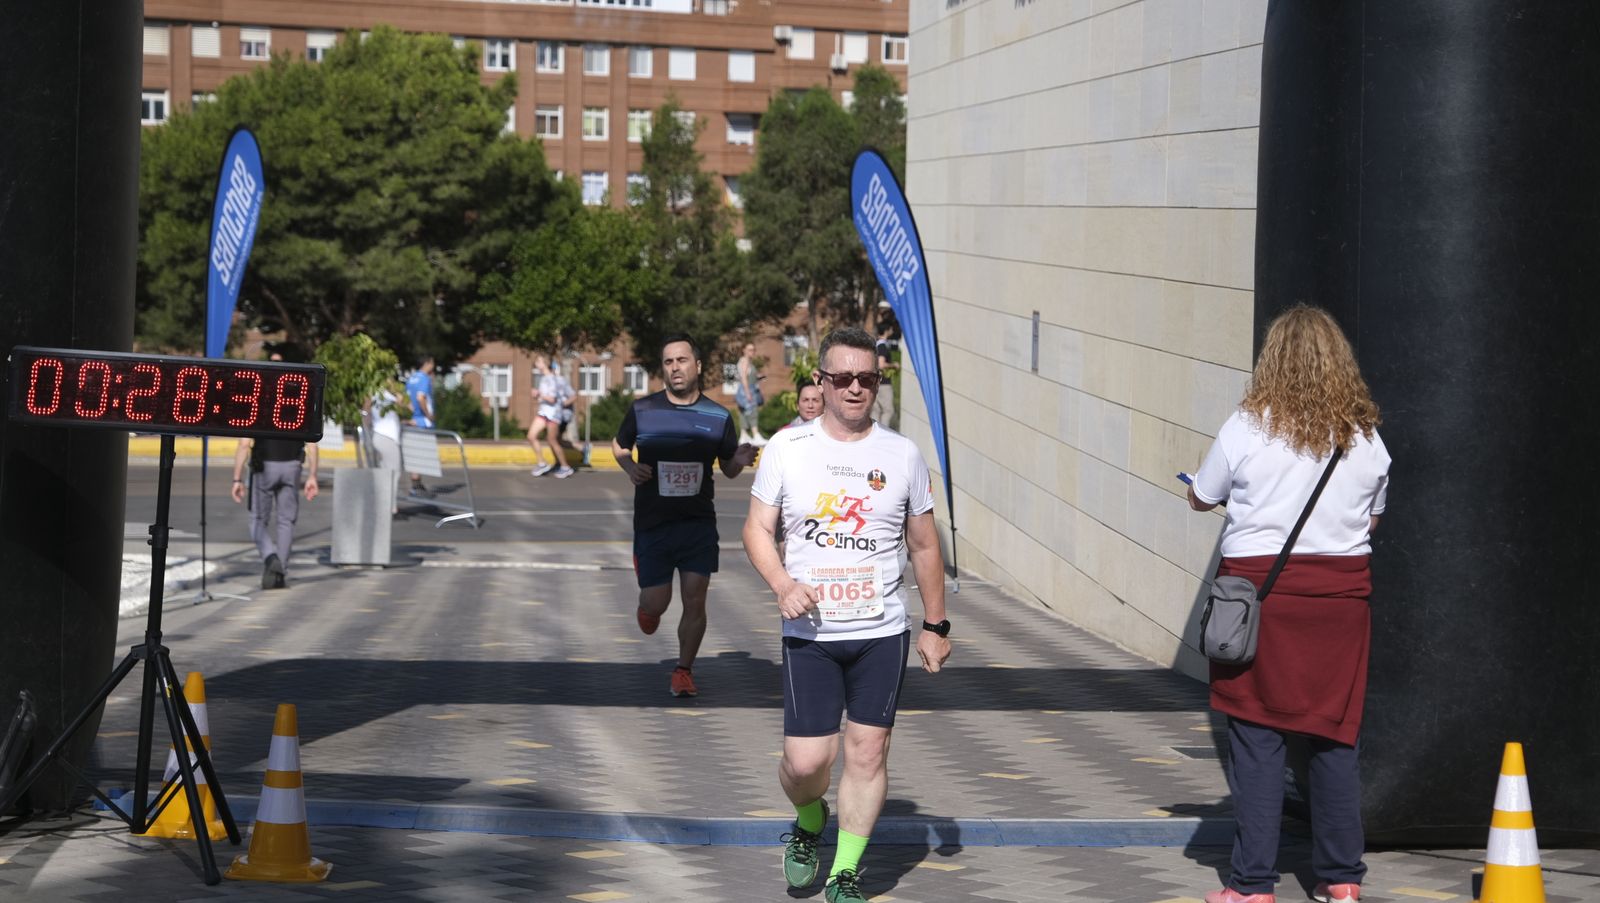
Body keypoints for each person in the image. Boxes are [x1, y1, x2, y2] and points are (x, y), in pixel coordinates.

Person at [1187, 305, 1390, 903]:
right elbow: (1371, 518)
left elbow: (1203, 496)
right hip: (1340, 606)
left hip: (1260, 600)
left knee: (1256, 738)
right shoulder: (1366, 438)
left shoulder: (1247, 428)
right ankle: (1342, 880)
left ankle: (1252, 886)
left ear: (1271, 361)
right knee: (1334, 736)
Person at [742, 326, 951, 903]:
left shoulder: (902, 455)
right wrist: (782, 583)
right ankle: (810, 821)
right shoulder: (790, 448)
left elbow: (926, 546)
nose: (855, 388)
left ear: (877, 383)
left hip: (881, 630)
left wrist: (936, 625)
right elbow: (756, 529)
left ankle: (845, 874)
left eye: (867, 378)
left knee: (867, 750)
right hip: (810, 630)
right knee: (808, 761)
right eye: (843, 378)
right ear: (821, 381)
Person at [614, 334, 758, 698]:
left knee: (696, 596)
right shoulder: (643, 409)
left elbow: (727, 468)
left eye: (681, 360)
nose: (675, 368)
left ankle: (683, 670)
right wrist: (631, 469)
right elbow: (618, 446)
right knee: (655, 605)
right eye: (668, 362)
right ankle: (648, 602)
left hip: (697, 523)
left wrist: (738, 461)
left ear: (698, 366)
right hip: (653, 523)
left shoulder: (718, 416)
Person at [231, 436, 320, 589]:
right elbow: (312, 445)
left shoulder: (258, 411)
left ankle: (270, 557)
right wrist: (312, 476)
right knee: (287, 521)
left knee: (257, 520)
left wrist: (237, 479)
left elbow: (244, 444)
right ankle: (280, 572)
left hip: (264, 466)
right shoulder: (302, 411)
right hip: (293, 466)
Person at [528, 354, 575, 478]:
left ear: (545, 363)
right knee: (531, 436)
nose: (536, 364)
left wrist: (539, 394)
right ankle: (542, 463)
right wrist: (539, 395)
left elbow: (553, 399)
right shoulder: (544, 378)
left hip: (554, 413)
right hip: (544, 412)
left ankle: (565, 467)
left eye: (538, 361)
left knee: (552, 440)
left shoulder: (551, 379)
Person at [404, 357, 435, 494]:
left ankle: (416, 483)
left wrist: (413, 412)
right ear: (427, 363)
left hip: (414, 419)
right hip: (423, 421)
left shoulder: (411, 379)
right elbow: (420, 398)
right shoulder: (424, 378)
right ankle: (416, 485)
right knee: (422, 453)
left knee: (416, 453)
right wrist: (428, 414)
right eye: (432, 363)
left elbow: (406, 400)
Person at [735, 340, 766, 446]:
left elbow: (748, 375)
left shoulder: (747, 361)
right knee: (752, 412)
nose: (752, 352)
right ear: (744, 350)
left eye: (753, 349)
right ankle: (756, 434)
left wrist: (759, 377)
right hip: (747, 390)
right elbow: (743, 377)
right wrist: (747, 393)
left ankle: (744, 436)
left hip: (746, 389)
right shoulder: (745, 361)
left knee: (743, 413)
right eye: (750, 349)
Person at [871, 326, 899, 430]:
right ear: (887, 330)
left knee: (876, 410)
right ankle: (883, 433)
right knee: (888, 411)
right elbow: (881, 364)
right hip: (884, 383)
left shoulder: (875, 345)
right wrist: (894, 365)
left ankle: (874, 433)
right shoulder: (882, 346)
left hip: (874, 382)